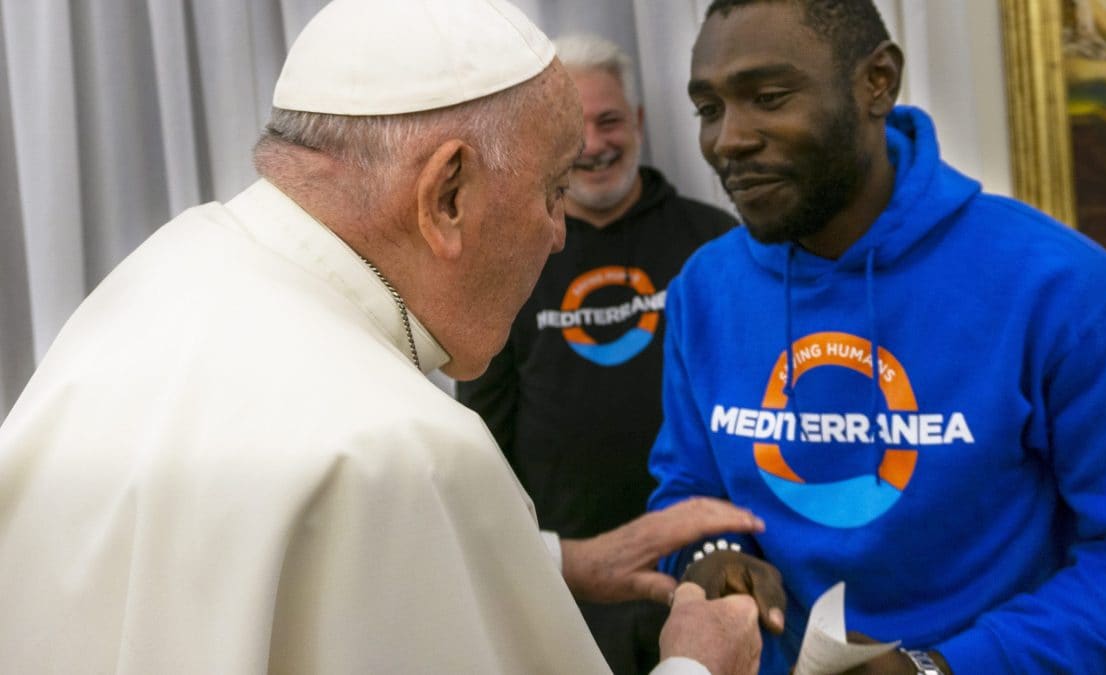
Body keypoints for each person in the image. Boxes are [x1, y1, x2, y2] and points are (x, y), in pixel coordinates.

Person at [0, 1, 769, 673]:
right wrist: (699, 664)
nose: (559, 236)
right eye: (551, 190)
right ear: (448, 193)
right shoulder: (410, 447)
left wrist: (562, 561)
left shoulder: (164, 270)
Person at [646, 0, 1106, 673]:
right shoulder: (706, 287)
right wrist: (710, 555)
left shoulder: (1063, 288)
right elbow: (686, 485)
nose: (729, 139)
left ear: (878, 81)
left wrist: (940, 667)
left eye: (768, 97)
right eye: (709, 108)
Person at [457, 33, 736, 675]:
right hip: (566, 587)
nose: (594, 145)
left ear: (638, 121)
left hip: (708, 572)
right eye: (573, 130)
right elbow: (484, 434)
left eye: (609, 120)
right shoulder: (508, 262)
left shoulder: (717, 244)